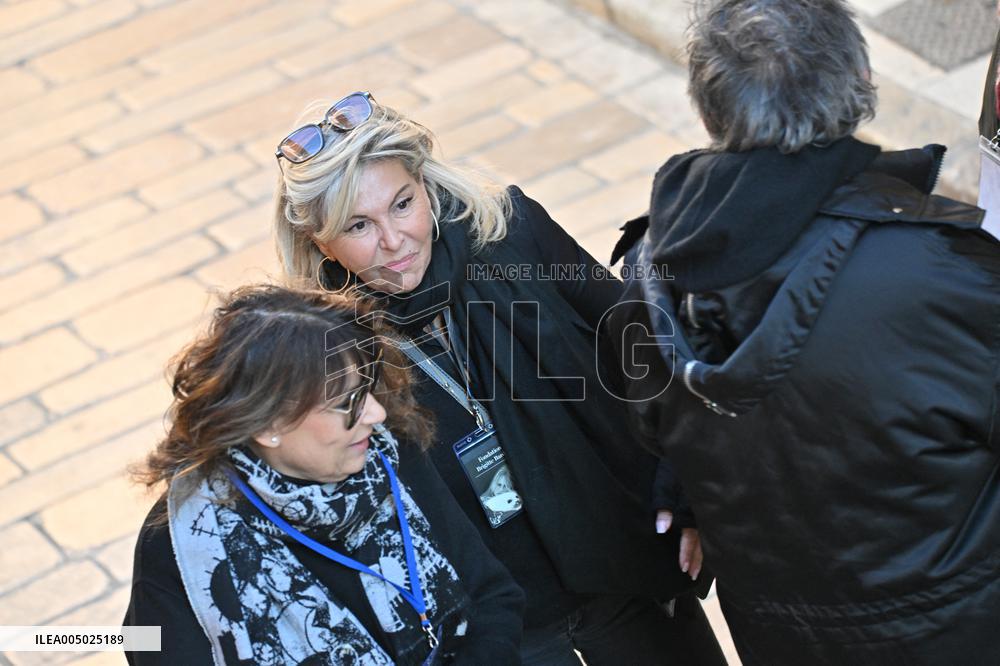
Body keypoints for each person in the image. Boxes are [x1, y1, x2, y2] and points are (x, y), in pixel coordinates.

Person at [603, 0, 1000, 664]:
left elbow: (665, 436)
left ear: (711, 107)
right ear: (859, 85)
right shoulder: (946, 274)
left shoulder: (648, 274)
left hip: (783, 637)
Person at [271, 93, 726, 664]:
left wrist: (685, 487)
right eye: (359, 225)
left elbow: (640, 347)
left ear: (426, 184)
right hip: (501, 637)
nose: (394, 241)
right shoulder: (325, 351)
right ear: (320, 242)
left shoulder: (512, 231)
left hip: (627, 580)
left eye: (403, 204)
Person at [123, 285, 524, 665]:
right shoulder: (178, 544)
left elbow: (492, 595)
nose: (376, 414)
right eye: (346, 402)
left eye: (366, 389)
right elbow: (148, 645)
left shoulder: (388, 451)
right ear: (267, 425)